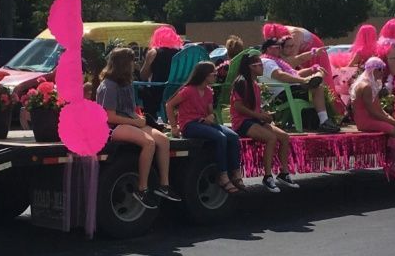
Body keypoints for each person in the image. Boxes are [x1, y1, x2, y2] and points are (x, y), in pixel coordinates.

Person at [96, 47, 180, 209]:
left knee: (162, 140)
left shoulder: (126, 82)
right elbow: (109, 117)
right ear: (123, 64)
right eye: (131, 61)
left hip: (129, 121)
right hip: (113, 126)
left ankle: (164, 185)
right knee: (148, 143)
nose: (134, 64)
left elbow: (130, 110)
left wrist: (140, 119)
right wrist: (136, 123)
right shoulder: (109, 85)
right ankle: (142, 188)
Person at [166, 61, 244, 194]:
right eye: (213, 74)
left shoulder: (208, 91)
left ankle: (236, 173)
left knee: (233, 136)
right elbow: (169, 104)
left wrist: (210, 117)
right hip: (190, 124)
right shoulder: (188, 91)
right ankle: (223, 175)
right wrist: (174, 126)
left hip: (204, 123)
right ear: (204, 76)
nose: (215, 76)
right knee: (220, 137)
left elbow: (209, 112)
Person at [230, 53, 297, 193]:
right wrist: (258, 115)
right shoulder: (241, 82)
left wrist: (265, 115)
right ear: (251, 67)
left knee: (284, 137)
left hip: (254, 120)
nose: (262, 67)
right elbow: (238, 107)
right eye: (259, 65)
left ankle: (284, 173)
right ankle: (267, 176)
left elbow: (255, 107)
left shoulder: (255, 84)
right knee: (271, 138)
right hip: (242, 122)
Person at [350, 56, 395, 185]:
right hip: (365, 121)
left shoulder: (371, 84)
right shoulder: (366, 86)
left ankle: (392, 165)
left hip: (372, 118)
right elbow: (372, 112)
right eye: (380, 69)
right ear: (373, 70)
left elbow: (378, 108)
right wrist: (391, 122)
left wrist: (391, 119)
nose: (382, 72)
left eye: (383, 69)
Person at [260, 38, 340, 133]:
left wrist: (312, 69)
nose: (279, 49)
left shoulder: (276, 61)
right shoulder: (267, 61)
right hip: (283, 94)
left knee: (316, 84)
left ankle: (321, 120)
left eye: (280, 47)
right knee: (317, 88)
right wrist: (303, 80)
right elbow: (280, 75)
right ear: (268, 49)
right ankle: (324, 122)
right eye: (277, 47)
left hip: (289, 90)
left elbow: (293, 74)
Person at [138, 26, 183, 118]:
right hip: (180, 90)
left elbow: (143, 76)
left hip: (160, 91)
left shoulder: (154, 52)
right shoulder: (182, 53)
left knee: (140, 88)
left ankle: (148, 118)